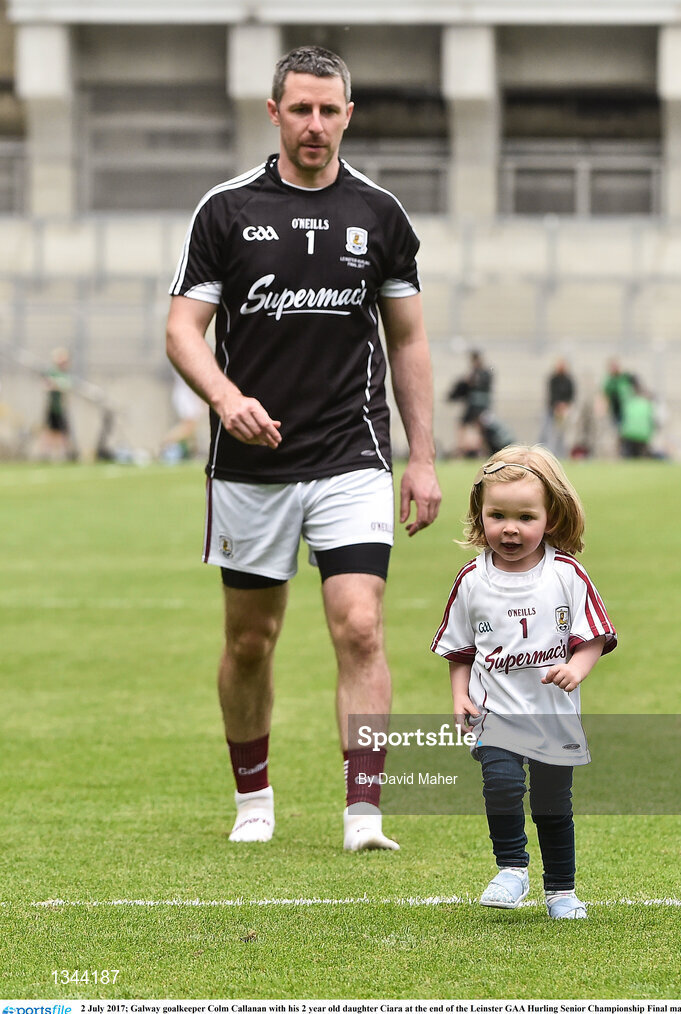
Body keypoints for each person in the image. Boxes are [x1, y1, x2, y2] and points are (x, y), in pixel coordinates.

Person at [166, 46, 441, 852]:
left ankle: (364, 814)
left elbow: (410, 340)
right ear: (274, 112)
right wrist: (225, 398)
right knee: (251, 641)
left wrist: (422, 456)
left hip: (352, 454)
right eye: (301, 110)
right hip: (251, 465)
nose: (315, 125)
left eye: (329, 110)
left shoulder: (381, 216)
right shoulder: (225, 210)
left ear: (348, 114)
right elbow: (184, 329)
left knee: (359, 625)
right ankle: (254, 801)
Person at [430, 444, 616, 917]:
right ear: (480, 514)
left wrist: (576, 668)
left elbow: (593, 635)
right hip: (496, 716)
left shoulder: (567, 574)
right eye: (497, 515)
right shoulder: (472, 579)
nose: (510, 528)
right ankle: (511, 870)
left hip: (553, 718)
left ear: (550, 517)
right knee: (503, 786)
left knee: (553, 805)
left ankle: (561, 891)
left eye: (525, 517)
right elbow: (460, 650)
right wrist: (459, 697)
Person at [448, 350, 493, 457]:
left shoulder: (482, 374)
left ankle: (480, 450)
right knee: (466, 427)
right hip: (475, 405)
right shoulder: (475, 373)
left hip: (479, 406)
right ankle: (463, 449)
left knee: (480, 428)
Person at [40, 347, 75, 460]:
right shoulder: (53, 372)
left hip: (61, 407)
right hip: (53, 407)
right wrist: (55, 385)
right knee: (50, 431)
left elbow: (66, 387)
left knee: (62, 431)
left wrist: (57, 385)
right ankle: (47, 453)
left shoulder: (64, 374)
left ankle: (61, 453)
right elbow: (47, 385)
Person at [540, 358, 576, 458]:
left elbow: (571, 395)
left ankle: (563, 454)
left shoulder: (568, 380)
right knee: (551, 433)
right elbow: (551, 394)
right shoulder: (553, 379)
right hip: (553, 410)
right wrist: (556, 406)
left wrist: (565, 406)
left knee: (564, 434)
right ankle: (551, 454)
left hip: (565, 411)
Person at [619, 378, 655, 458]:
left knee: (629, 456)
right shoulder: (647, 403)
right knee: (641, 456)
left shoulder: (628, 402)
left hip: (629, 433)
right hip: (643, 434)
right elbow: (652, 420)